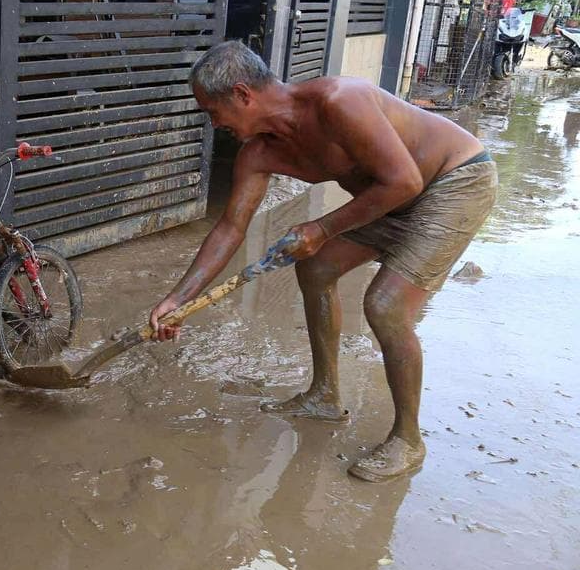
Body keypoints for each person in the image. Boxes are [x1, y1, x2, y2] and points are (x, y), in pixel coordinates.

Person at [149, 41, 497, 482]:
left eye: (213, 112)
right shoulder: (259, 153)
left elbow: (405, 180)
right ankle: (325, 395)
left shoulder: (339, 101)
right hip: (390, 197)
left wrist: (322, 229)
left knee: (385, 305)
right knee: (314, 268)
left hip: (454, 182)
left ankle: (408, 440)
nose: (215, 125)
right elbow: (230, 228)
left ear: (242, 94)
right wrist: (177, 298)